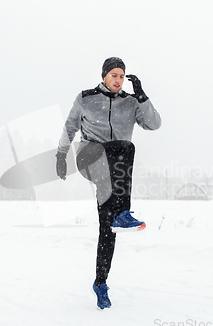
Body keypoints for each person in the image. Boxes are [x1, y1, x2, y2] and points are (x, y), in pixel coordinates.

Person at [55, 57, 161, 310]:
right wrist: (60, 155)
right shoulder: (86, 98)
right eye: (113, 74)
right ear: (104, 76)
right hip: (89, 157)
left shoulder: (131, 102)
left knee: (107, 227)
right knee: (123, 146)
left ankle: (100, 283)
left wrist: (142, 96)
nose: (118, 80)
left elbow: (154, 124)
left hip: (113, 174)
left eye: (122, 76)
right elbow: (70, 127)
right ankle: (123, 211)